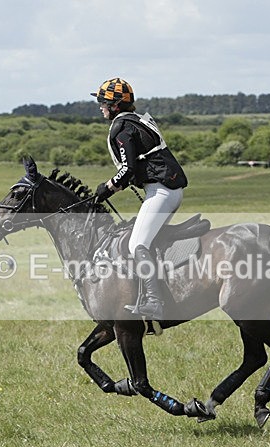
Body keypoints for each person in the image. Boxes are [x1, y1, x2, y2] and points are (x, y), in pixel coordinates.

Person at [92, 77, 188, 321]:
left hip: (162, 191)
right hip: (164, 190)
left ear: (115, 106)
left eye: (103, 102)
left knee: (137, 245)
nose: (100, 106)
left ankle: (155, 302)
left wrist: (107, 188)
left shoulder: (123, 128)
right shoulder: (133, 121)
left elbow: (128, 170)